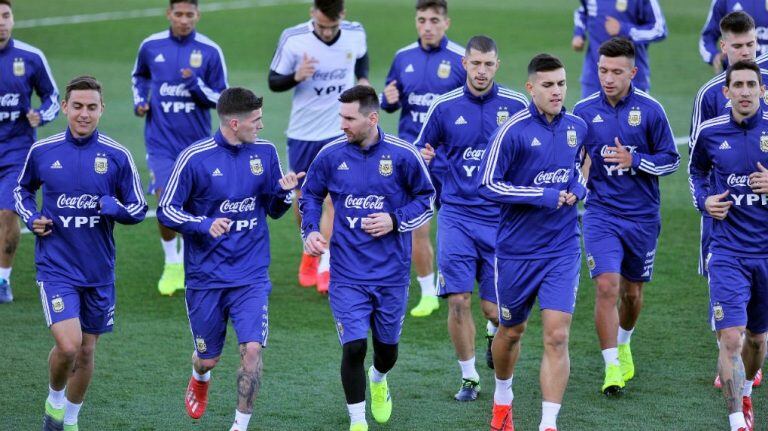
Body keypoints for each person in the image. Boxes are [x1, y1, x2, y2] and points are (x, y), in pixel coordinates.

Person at [157, 87, 299, 431]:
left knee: (252, 350)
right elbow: (166, 210)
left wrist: (284, 193)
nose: (262, 126)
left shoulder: (264, 153)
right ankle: (199, 375)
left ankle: (239, 425)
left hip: (250, 274)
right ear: (234, 123)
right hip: (206, 277)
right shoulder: (194, 158)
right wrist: (204, 224)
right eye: (256, 120)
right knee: (209, 358)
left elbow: (273, 208)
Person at [15, 76, 147, 431]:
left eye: (91, 107)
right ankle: (54, 398)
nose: (84, 114)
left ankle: (67, 421)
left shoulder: (118, 156)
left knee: (87, 351)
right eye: (77, 106)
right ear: (64, 108)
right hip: (56, 266)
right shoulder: (43, 152)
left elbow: (138, 208)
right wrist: (32, 216)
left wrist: (114, 208)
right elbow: (22, 192)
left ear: (102, 109)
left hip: (99, 270)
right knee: (70, 345)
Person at [300, 85, 434, 431]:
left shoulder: (403, 155)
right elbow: (311, 194)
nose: (341, 124)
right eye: (340, 116)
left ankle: (379, 379)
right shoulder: (330, 155)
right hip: (347, 273)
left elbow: (426, 199)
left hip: (391, 274)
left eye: (349, 118)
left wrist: (395, 220)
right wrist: (311, 231)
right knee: (355, 346)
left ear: (372, 118)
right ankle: (357, 422)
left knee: (386, 352)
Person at [478, 54, 587, 431]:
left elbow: (581, 164)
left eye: (561, 83)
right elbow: (488, 183)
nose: (556, 91)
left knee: (557, 335)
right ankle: (502, 398)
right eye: (548, 85)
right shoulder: (512, 131)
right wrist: (539, 194)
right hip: (517, 252)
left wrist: (578, 187)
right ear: (530, 88)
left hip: (562, 246)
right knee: (511, 331)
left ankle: (548, 424)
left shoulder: (576, 126)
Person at [415, 35, 528, 399]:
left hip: (501, 220)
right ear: (464, 64)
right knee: (458, 300)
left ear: (498, 65)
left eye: (488, 64)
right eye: (475, 63)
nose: (481, 71)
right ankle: (469, 377)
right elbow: (419, 152)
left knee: (495, 309)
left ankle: (494, 332)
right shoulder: (444, 107)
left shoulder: (516, 105)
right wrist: (425, 160)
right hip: (457, 215)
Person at [573, 37, 679, 395]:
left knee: (632, 294)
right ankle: (611, 368)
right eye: (603, 70)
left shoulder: (650, 110)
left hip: (642, 216)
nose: (608, 78)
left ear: (633, 72)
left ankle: (624, 341)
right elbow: (571, 159)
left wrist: (636, 161)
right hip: (601, 213)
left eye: (617, 72)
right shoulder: (584, 111)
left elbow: (672, 159)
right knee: (606, 287)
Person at [689, 59, 768, 431]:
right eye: (738, 85)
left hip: (766, 253)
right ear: (727, 92)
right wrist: (703, 202)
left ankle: (747, 390)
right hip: (727, 251)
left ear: (762, 90)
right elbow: (696, 173)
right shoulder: (709, 132)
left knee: (756, 340)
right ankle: (737, 419)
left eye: (752, 84)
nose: (745, 91)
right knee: (732, 338)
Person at [269, 0, 369, 295]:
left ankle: (327, 262)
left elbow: (361, 57)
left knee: (333, 200)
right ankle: (309, 248)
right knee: (303, 197)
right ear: (312, 14)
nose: (327, 33)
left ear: (342, 16)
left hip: (341, 131)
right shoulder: (294, 38)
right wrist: (296, 76)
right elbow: (273, 81)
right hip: (303, 133)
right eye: (321, 26)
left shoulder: (355, 32)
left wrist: (363, 78)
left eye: (332, 26)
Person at [132, 0, 228, 296]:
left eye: (189, 14)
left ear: (198, 15)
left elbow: (222, 98)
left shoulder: (211, 51)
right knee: (164, 201)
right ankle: (172, 262)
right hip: (160, 143)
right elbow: (140, 77)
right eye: (179, 14)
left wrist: (196, 85)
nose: (184, 20)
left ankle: (190, 261)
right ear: (169, 14)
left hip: (197, 144)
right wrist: (140, 101)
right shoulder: (151, 46)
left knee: (194, 204)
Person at [380, 0, 465, 317]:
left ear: (446, 23)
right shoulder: (403, 58)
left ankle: (459, 281)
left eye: (433, 20)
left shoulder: (460, 60)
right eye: (421, 20)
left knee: (459, 226)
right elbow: (389, 100)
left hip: (452, 160)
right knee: (417, 226)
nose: (427, 26)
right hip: (412, 159)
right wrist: (386, 100)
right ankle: (428, 292)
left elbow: (470, 111)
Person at [0, 0, 59, 303]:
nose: (1, 22)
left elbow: (52, 96)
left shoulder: (30, 57)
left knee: (9, 210)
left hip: (17, 150)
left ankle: (2, 278)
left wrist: (42, 115)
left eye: (6, 16)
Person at [571, 0, 666, 97]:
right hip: (593, 78)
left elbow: (659, 30)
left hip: (630, 81)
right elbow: (583, 11)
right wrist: (579, 33)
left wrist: (624, 29)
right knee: (587, 111)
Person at [700, 0, 768, 72]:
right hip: (734, 74)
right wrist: (713, 55)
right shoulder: (724, 1)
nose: (745, 52)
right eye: (737, 46)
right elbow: (707, 37)